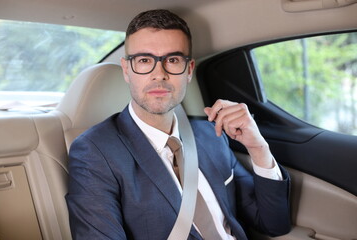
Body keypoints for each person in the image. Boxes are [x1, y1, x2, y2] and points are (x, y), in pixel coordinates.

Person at [66, 9, 291, 240]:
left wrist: (258, 148)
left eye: (172, 60)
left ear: (189, 70)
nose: (159, 74)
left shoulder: (210, 134)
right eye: (144, 60)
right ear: (126, 70)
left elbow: (274, 225)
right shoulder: (94, 152)